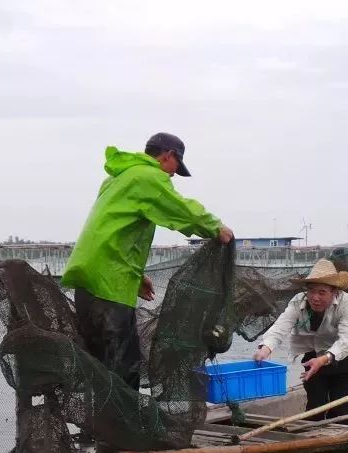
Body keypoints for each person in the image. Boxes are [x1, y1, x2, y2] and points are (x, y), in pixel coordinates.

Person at [62, 132, 234, 389]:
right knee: (124, 369)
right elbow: (179, 208)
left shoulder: (118, 177)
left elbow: (113, 232)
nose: (173, 175)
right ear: (169, 155)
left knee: (99, 367)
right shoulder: (148, 176)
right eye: (176, 167)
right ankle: (122, 429)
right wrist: (215, 227)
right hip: (109, 287)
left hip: (89, 283)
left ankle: (101, 428)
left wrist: (135, 276)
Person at [254, 259, 348, 422]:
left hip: (344, 359)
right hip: (312, 357)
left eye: (322, 292)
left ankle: (338, 441)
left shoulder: (346, 303)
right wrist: (266, 348)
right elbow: (282, 325)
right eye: (311, 291)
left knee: (339, 411)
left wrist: (324, 359)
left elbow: (347, 340)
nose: (315, 297)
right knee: (315, 408)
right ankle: (313, 438)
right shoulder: (298, 301)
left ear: (334, 292)